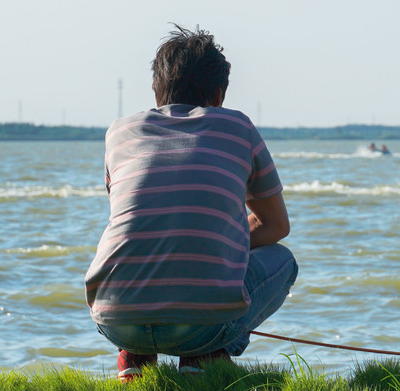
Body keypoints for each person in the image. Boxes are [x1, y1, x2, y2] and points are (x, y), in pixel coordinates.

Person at [84, 25, 298, 383]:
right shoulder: (238, 127)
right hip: (200, 325)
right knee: (283, 261)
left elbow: (145, 222)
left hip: (113, 318)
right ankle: (208, 354)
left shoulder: (119, 131)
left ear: (156, 92)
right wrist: (216, 240)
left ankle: (134, 355)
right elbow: (276, 226)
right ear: (219, 94)